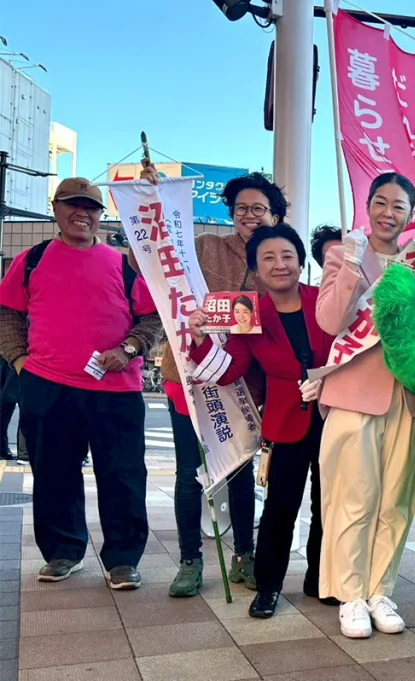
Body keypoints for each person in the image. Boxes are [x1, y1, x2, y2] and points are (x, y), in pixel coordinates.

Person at [0, 178, 163, 588]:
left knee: (123, 474)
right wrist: (20, 361)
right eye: (72, 205)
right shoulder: (31, 260)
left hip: (117, 391)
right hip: (48, 386)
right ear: (55, 209)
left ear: (100, 215)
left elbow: (152, 318)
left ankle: (123, 559)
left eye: (90, 207)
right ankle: (62, 552)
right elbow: (7, 314)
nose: (81, 214)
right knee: (54, 473)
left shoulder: (123, 264)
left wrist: (127, 349)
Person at [135, 160, 287, 597]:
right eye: (241, 208)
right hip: (187, 376)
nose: (249, 215)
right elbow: (151, 260)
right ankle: (190, 561)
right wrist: (152, 203)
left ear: (275, 214)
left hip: (245, 384)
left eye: (259, 208)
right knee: (188, 474)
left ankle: (244, 554)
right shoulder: (202, 246)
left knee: (239, 469)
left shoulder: (277, 261)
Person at [187, 223, 332, 619]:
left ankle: (321, 577)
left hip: (334, 416)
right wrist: (199, 339)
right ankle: (268, 586)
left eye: (287, 255)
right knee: (280, 508)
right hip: (286, 422)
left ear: (301, 261)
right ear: (256, 268)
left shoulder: (324, 301)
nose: (279, 264)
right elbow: (229, 370)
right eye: (268, 258)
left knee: (329, 504)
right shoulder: (250, 315)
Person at [316, 173, 415, 638]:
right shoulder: (343, 254)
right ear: (367, 205)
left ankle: (381, 589)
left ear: (410, 214)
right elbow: (330, 320)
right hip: (354, 394)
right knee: (352, 500)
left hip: (406, 396)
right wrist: (354, 266)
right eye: (380, 202)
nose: (388, 213)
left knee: (396, 501)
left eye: (398, 206)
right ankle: (350, 594)